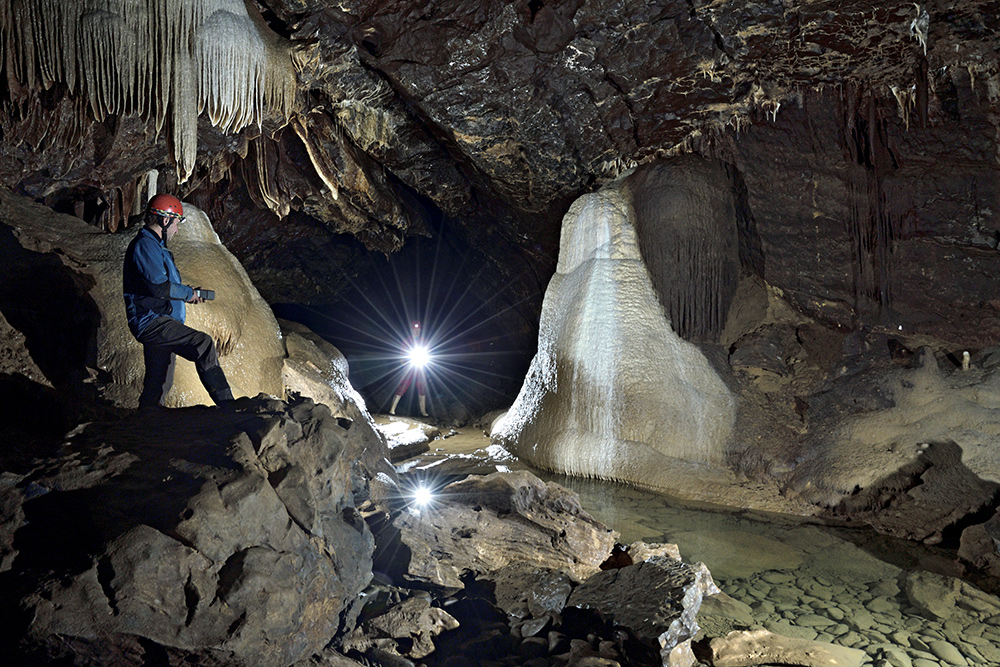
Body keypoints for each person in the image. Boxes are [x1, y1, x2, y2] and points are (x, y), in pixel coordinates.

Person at [123, 194, 234, 407]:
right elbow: (159, 287)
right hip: (153, 322)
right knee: (203, 344)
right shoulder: (145, 245)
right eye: (177, 224)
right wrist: (187, 294)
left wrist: (190, 294)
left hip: (161, 321)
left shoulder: (156, 248)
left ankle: (146, 423)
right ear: (165, 220)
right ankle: (228, 405)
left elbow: (162, 286)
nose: (177, 230)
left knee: (159, 384)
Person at [390, 320, 428, 416]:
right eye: (414, 330)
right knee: (402, 386)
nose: (416, 331)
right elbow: (402, 354)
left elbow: (428, 352)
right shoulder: (407, 341)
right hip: (409, 366)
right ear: (411, 330)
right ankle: (392, 409)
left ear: (420, 330)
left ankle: (423, 411)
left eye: (418, 330)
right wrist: (404, 364)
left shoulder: (424, 341)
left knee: (422, 387)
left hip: (421, 366)